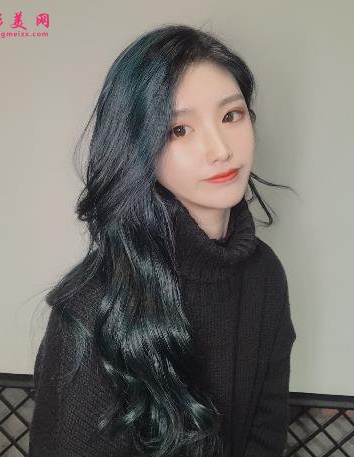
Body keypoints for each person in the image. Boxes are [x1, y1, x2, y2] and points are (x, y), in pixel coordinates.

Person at [28, 23, 297, 457]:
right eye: (179, 130)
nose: (220, 149)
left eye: (231, 116)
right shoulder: (93, 304)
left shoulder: (265, 273)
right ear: (138, 147)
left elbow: (266, 434)